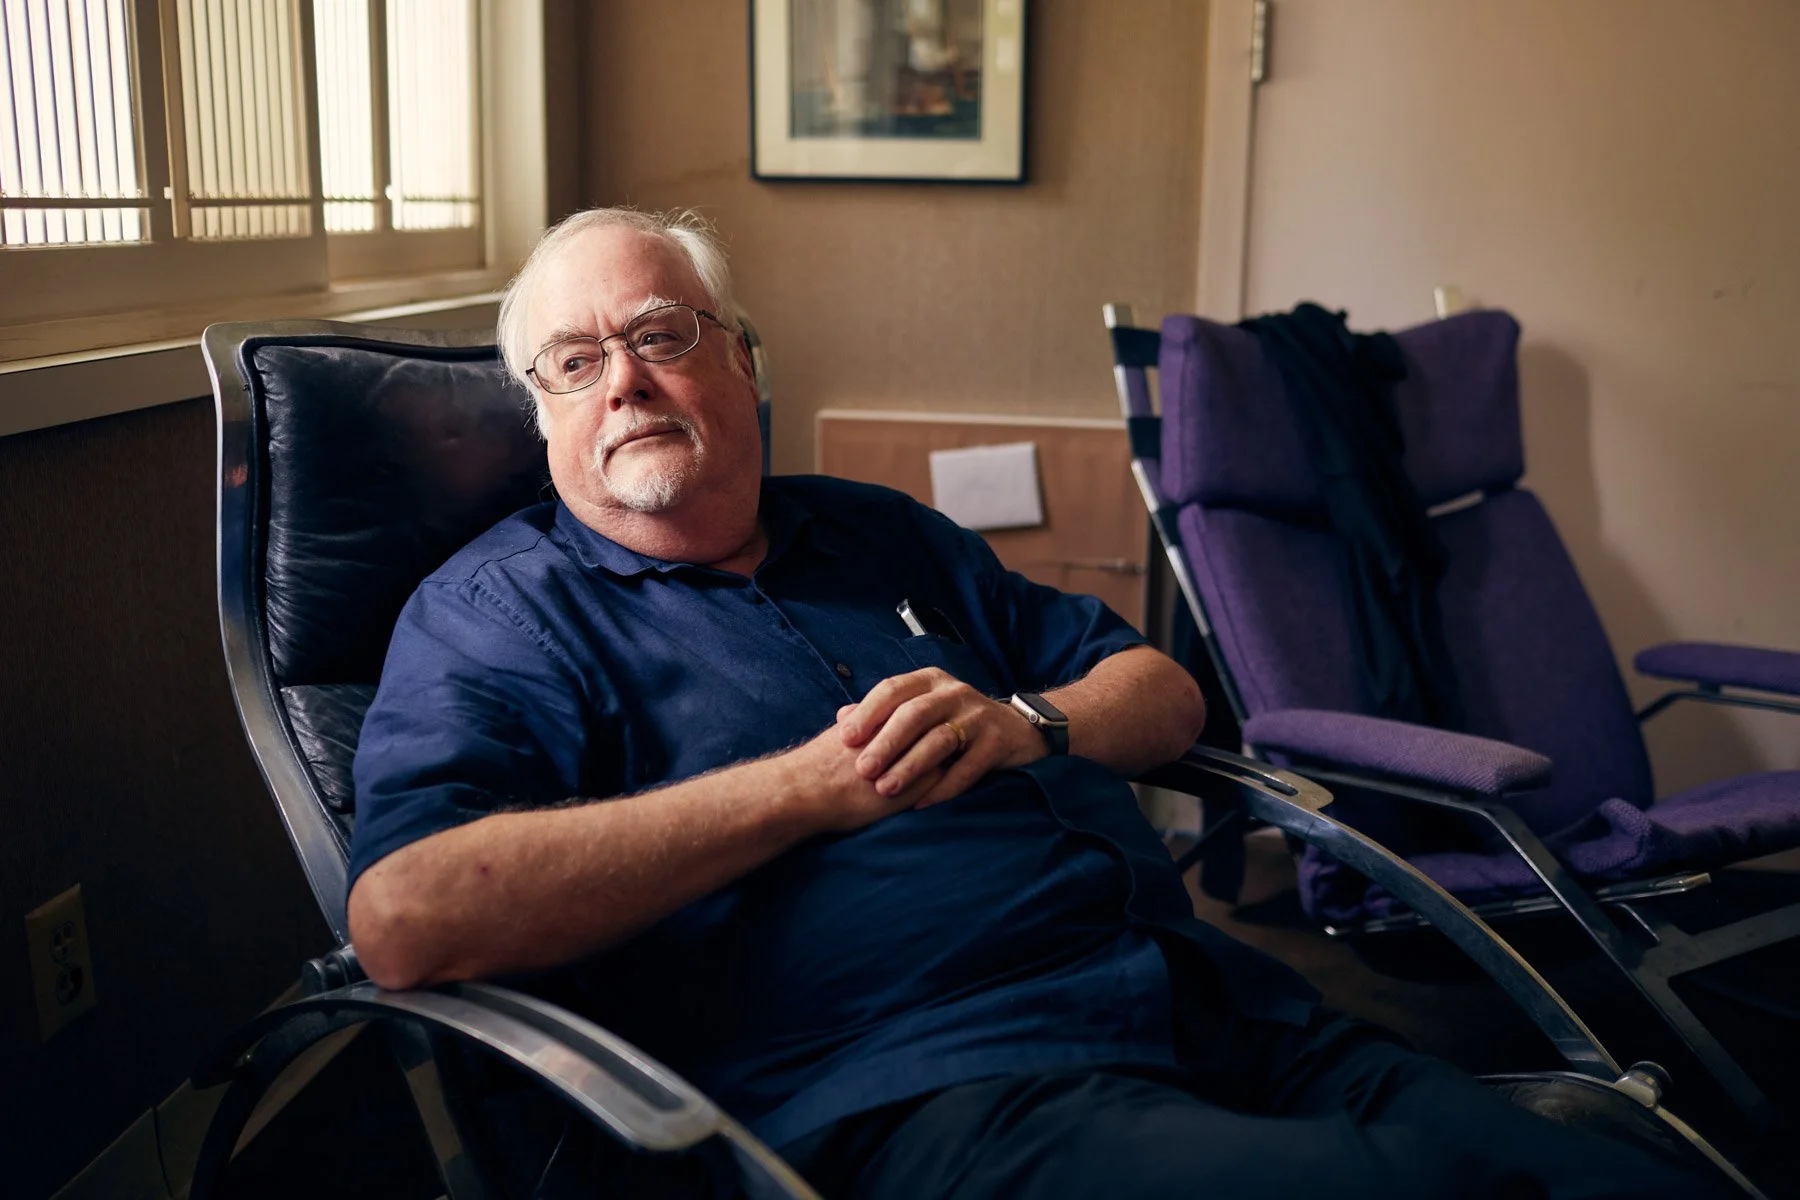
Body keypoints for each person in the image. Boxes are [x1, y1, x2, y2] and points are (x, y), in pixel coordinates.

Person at [348, 207, 1722, 1199]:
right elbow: (408, 920)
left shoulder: (884, 535)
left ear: (745, 360)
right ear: (542, 418)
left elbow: (1164, 689)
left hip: (1214, 1011)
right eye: (575, 364)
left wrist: (1034, 724)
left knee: (1621, 1169)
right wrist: (802, 787)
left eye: (660, 332)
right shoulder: (498, 617)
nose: (628, 380)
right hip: (932, 1089)